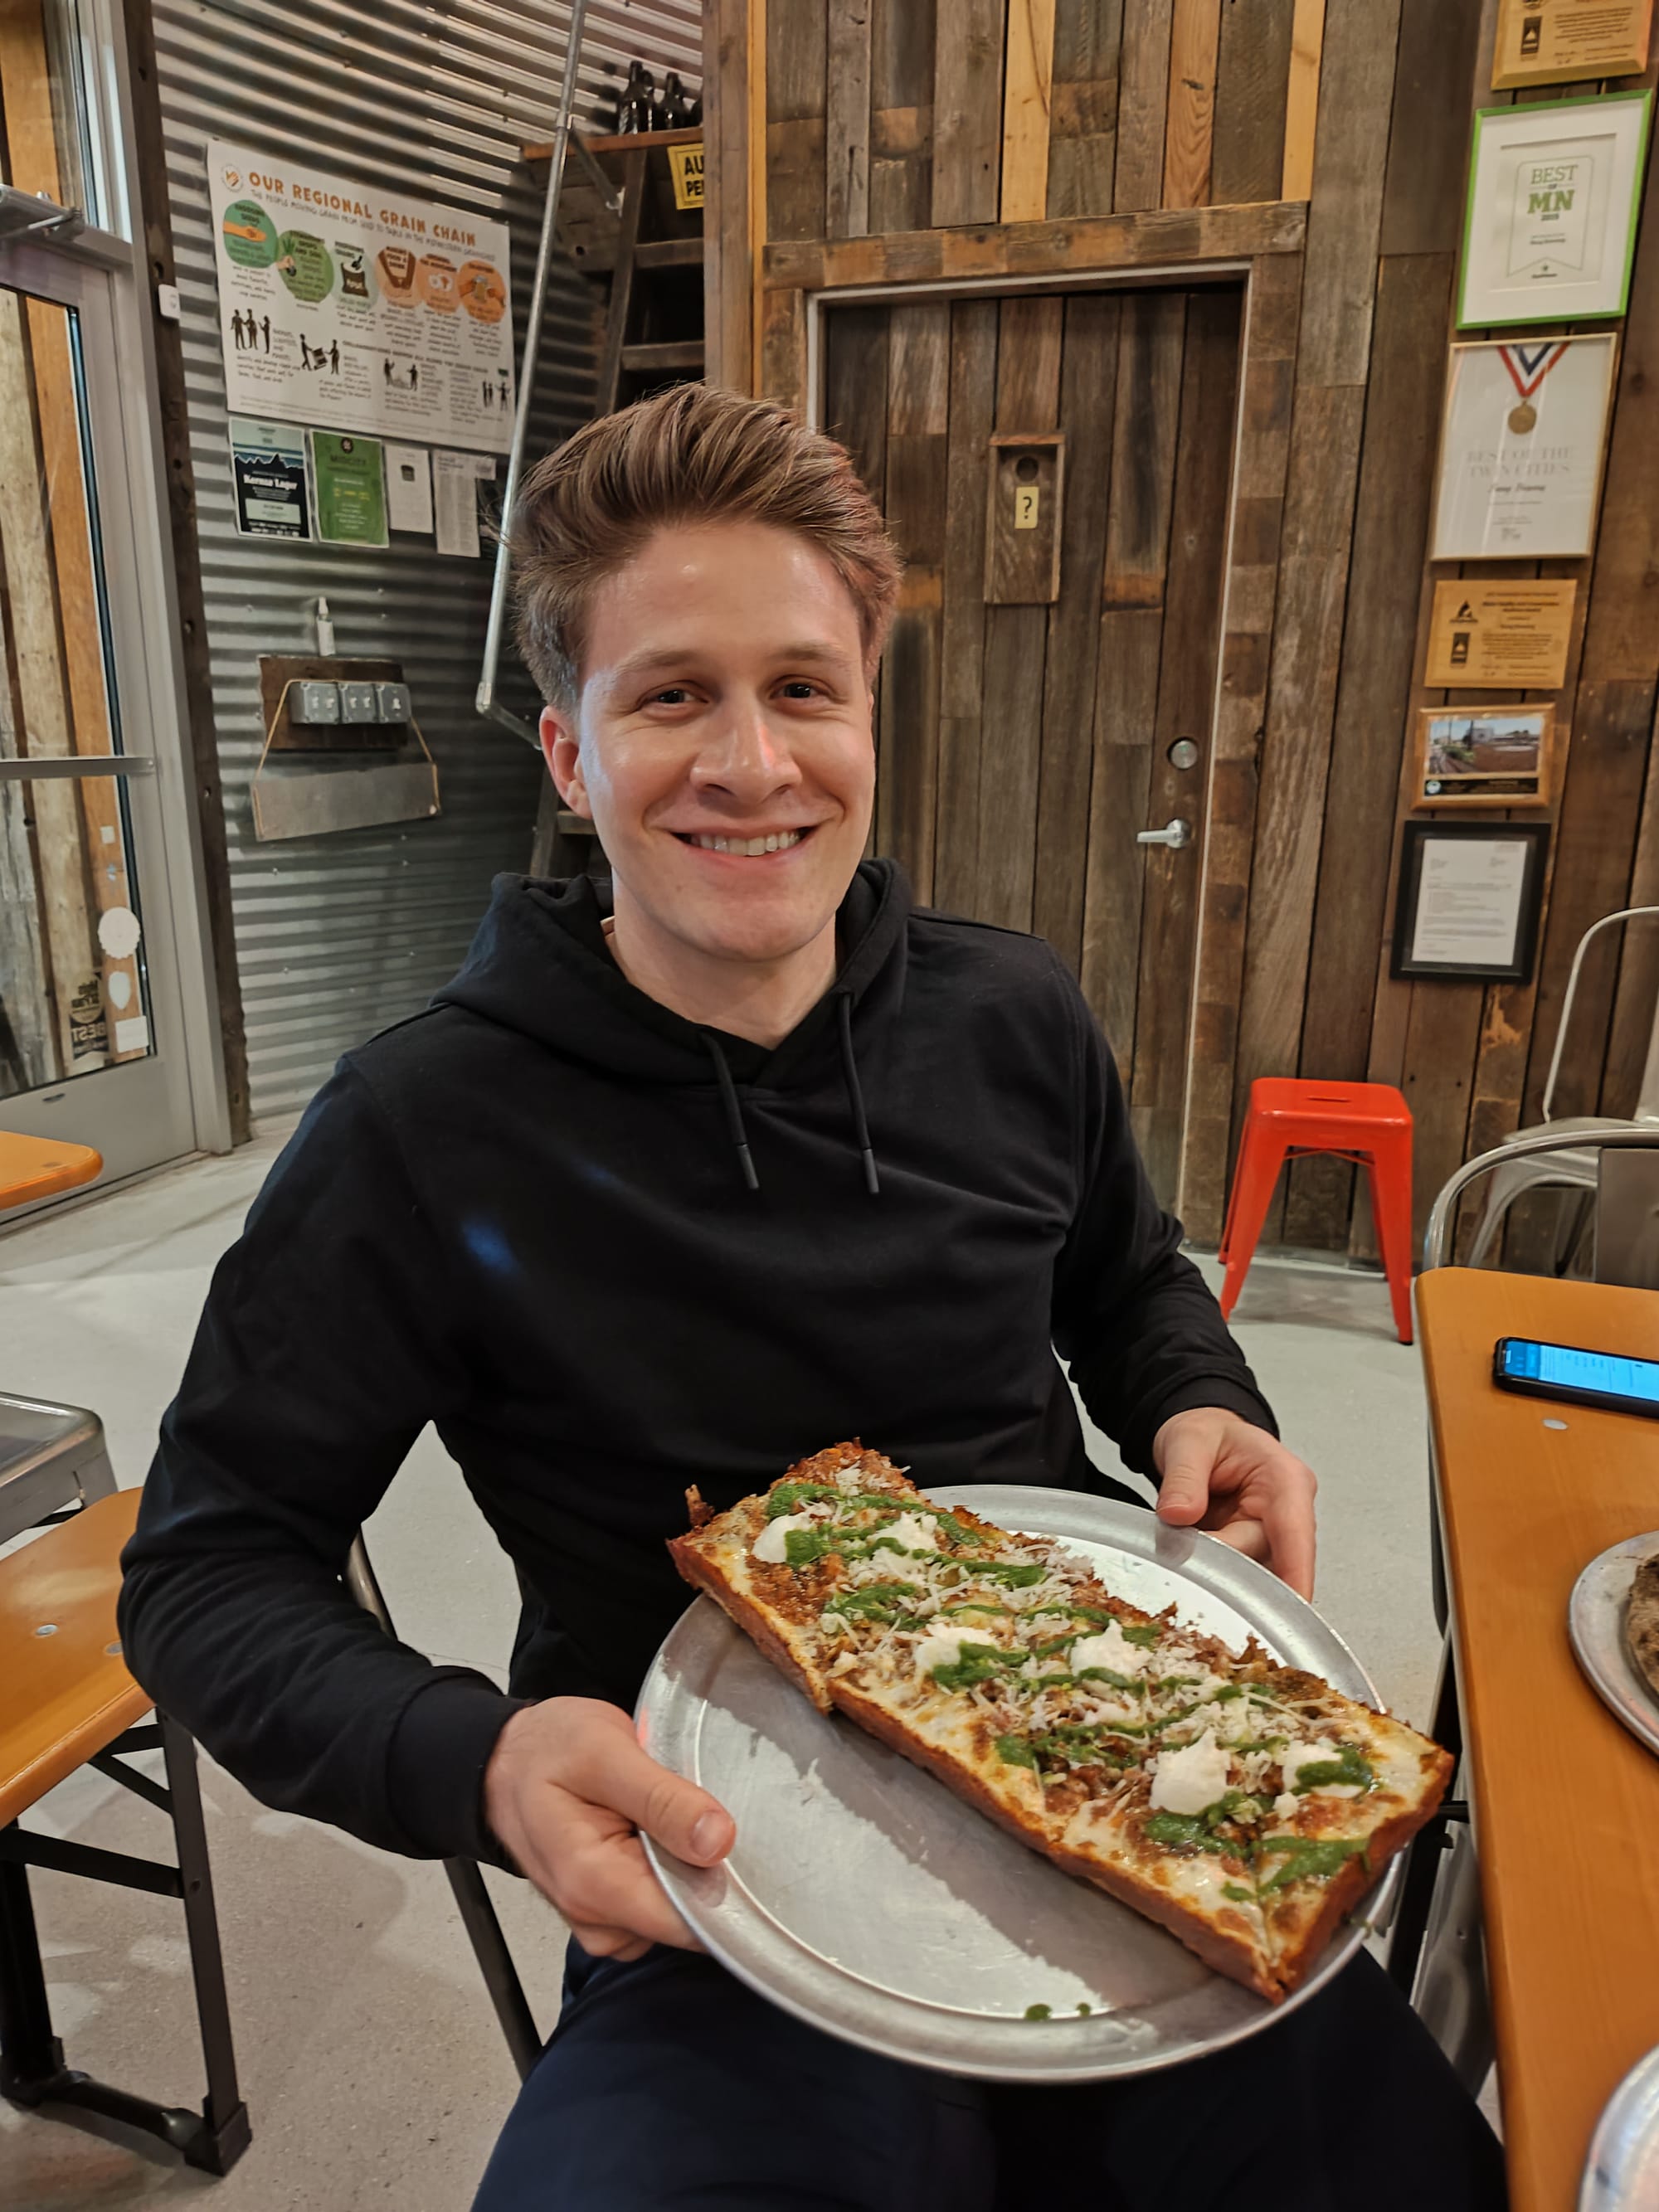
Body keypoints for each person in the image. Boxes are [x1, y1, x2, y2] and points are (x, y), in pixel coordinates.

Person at [120, 384, 1505, 2211]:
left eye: (802, 688)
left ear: (867, 718)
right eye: (670, 693)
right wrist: (477, 1754)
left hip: (1135, 1780)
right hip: (713, 1879)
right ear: (566, 751)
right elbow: (208, 1566)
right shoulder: (421, 1125)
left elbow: (1121, 1270)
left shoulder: (1012, 1015)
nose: (754, 765)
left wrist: (1193, 1395)